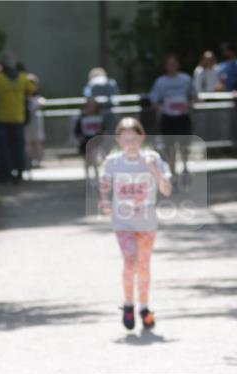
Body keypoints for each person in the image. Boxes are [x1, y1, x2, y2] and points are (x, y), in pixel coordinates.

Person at [98, 118, 172, 332]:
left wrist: (154, 170)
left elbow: (166, 190)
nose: (130, 142)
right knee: (130, 261)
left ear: (142, 137)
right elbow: (104, 182)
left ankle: (145, 308)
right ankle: (128, 304)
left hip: (146, 222)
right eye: (125, 137)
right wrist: (104, 199)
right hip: (123, 222)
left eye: (134, 137)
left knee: (144, 265)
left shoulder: (153, 158)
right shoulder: (113, 161)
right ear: (119, 140)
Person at [0, 53, 36, 183]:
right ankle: (19, 173)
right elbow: (32, 90)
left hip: (1, 118)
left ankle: (6, 174)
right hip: (17, 118)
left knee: (4, 148)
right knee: (18, 147)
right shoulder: (22, 77)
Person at [149, 53, 196, 184]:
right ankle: (172, 172)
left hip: (183, 117)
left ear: (178, 65)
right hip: (168, 118)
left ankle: (185, 167)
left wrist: (188, 105)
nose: (172, 66)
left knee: (184, 144)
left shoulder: (185, 79)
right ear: (166, 66)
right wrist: (162, 108)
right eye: (170, 64)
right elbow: (154, 100)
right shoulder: (160, 81)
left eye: (174, 64)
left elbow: (194, 96)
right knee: (170, 146)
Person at [74, 98, 107, 182]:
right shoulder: (82, 117)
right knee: (87, 161)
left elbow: (103, 128)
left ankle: (96, 177)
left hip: (96, 141)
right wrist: (80, 137)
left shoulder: (99, 116)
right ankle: (87, 177)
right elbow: (77, 130)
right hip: (85, 141)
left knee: (95, 160)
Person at [25, 75, 45, 169]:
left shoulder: (38, 98)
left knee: (37, 142)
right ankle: (29, 161)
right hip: (26, 122)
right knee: (27, 142)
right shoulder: (24, 98)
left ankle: (38, 161)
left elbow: (41, 103)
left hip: (36, 122)